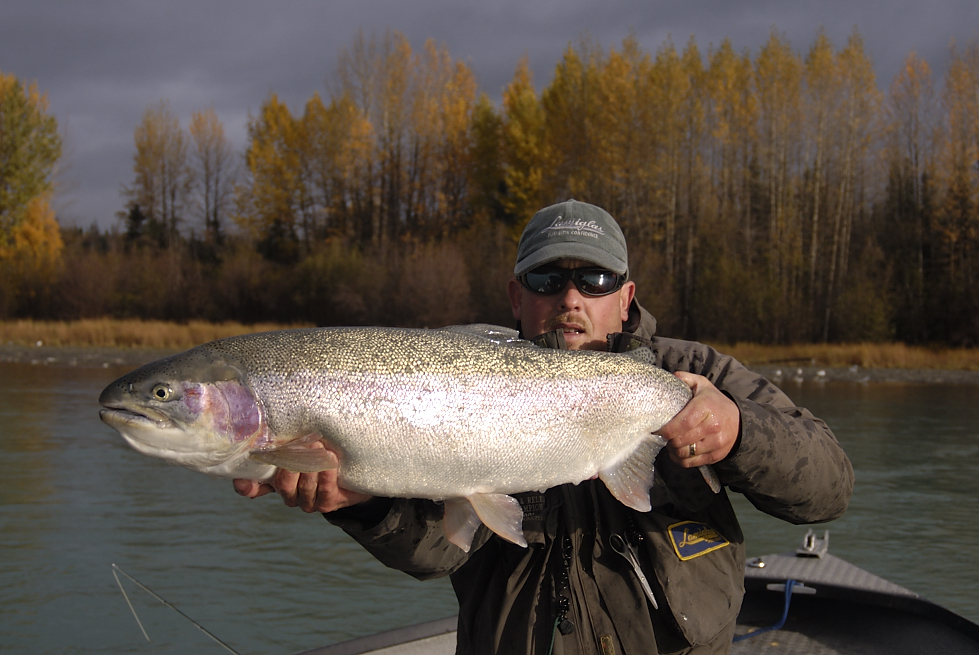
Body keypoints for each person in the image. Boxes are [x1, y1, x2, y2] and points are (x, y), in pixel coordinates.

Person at [234, 200, 854, 654]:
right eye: (547, 278)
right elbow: (440, 551)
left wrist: (740, 430)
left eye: (595, 279)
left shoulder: (692, 374)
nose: (571, 297)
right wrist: (360, 507)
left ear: (626, 296)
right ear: (515, 296)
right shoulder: (455, 385)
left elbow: (829, 487)